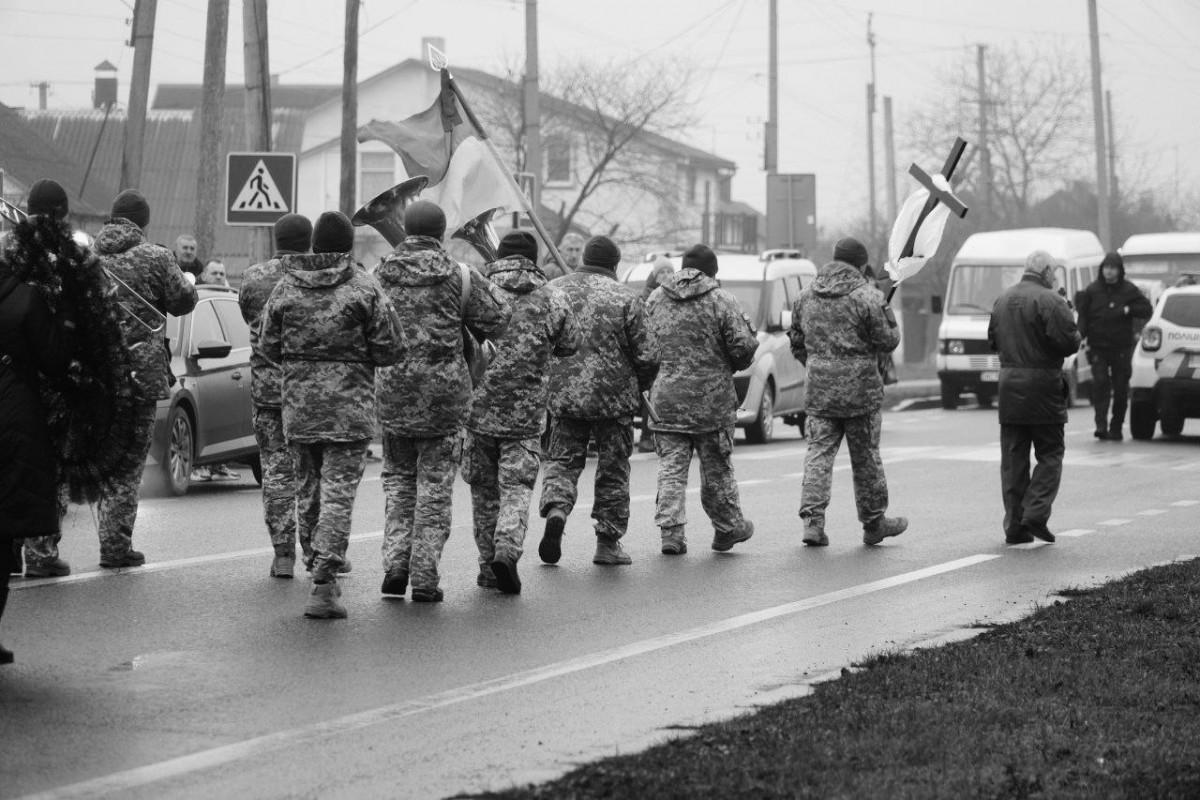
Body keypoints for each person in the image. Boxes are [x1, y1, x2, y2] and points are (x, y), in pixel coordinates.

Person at [262, 211, 404, 618]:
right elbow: (392, 348)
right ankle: (324, 583)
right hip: (349, 413)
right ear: (348, 246)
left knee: (308, 494)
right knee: (337, 497)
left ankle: (316, 563)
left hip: (300, 412)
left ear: (314, 245)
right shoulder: (364, 288)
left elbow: (268, 346)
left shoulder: (286, 288)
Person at [373, 200, 510, 603]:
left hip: (393, 393)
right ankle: (425, 577)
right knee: (434, 488)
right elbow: (501, 321)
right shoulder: (460, 275)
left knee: (398, 484)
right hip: (444, 399)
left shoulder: (377, 275)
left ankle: (395, 567)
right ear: (441, 232)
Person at [463, 230, 578, 594]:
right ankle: (507, 550)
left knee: (483, 491)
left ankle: (486, 567)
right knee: (516, 488)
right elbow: (571, 344)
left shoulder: (477, 290)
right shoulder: (553, 297)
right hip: (526, 416)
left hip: (477, 410)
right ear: (534, 257)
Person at [537, 235, 657, 566]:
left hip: (565, 395)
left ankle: (557, 510)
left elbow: (540, 341)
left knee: (562, 460)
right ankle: (607, 542)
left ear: (583, 258)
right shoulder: (627, 298)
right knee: (613, 469)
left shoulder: (554, 290)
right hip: (615, 398)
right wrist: (638, 386)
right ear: (615, 266)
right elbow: (648, 354)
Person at [94, 189, 198, 568]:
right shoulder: (155, 257)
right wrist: (187, 278)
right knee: (126, 461)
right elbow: (184, 301)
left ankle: (46, 549)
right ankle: (114, 545)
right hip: (139, 375)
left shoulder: (88, 256)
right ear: (143, 222)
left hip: (94, 374)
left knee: (97, 456)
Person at [788, 237, 906, 547]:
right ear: (861, 265)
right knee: (866, 458)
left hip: (819, 391)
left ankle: (812, 523)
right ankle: (874, 522)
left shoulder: (805, 297)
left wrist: (818, 365)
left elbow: (797, 342)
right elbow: (889, 341)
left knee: (818, 456)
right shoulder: (869, 297)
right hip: (860, 393)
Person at [0, 194, 77, 663]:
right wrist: (67, 316)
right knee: (4, 527)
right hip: (13, 418)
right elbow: (54, 359)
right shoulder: (25, 296)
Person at [645, 245, 758, 555]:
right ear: (713, 271)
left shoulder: (655, 299)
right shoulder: (721, 300)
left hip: (666, 399)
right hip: (713, 400)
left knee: (671, 467)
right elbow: (744, 347)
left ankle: (671, 533)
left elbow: (643, 346)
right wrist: (727, 365)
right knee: (716, 468)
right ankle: (727, 528)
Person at [987, 250, 1082, 545]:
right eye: (1053, 272)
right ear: (1044, 272)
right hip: (1043, 388)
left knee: (1014, 459)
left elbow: (993, 340)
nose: (1054, 277)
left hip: (1010, 388)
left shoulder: (1002, 299)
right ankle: (1035, 513)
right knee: (1050, 454)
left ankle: (1015, 526)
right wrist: (1069, 314)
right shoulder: (1051, 300)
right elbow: (1070, 343)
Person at [238, 213, 312, 578]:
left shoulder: (253, 277)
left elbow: (248, 318)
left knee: (276, 473)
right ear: (309, 242)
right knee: (313, 472)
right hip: (311, 392)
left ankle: (283, 554)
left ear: (275, 240)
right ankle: (318, 551)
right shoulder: (318, 276)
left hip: (268, 391)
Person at [1075, 251, 1152, 441]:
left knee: (1120, 389)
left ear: (1119, 270)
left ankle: (1116, 427)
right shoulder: (1092, 291)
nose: (1109, 272)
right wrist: (1077, 337)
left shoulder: (1128, 290)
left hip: (1121, 348)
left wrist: (1128, 309)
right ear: (1102, 269)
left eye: (1113, 268)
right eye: (1107, 268)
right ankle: (1101, 425)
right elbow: (1084, 318)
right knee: (1100, 385)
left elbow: (1146, 309)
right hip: (1098, 347)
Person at [637, 255, 676, 453]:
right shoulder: (647, 296)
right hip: (653, 352)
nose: (666, 275)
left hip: (670, 353)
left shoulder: (677, 295)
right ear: (654, 275)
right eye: (662, 272)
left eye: (670, 271)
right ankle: (646, 436)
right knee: (651, 395)